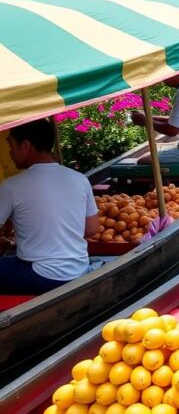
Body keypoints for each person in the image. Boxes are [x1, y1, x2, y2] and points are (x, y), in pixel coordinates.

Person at [0, 120, 100, 293]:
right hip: (78, 269)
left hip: (41, 276)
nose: (9, 152)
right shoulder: (79, 179)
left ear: (25, 146)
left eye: (11, 145)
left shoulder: (11, 186)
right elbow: (92, 228)